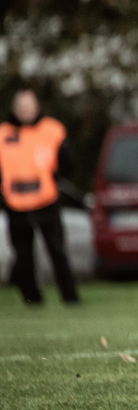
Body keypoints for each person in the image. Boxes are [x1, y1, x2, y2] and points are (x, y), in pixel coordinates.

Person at [2, 88, 80, 306]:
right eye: (21, 106)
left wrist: (58, 178)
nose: (25, 111)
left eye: (29, 106)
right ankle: (32, 300)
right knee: (24, 256)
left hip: (46, 201)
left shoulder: (52, 130)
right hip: (15, 204)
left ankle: (71, 298)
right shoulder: (3, 133)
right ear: (14, 109)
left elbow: (68, 161)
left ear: (37, 107)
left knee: (57, 251)